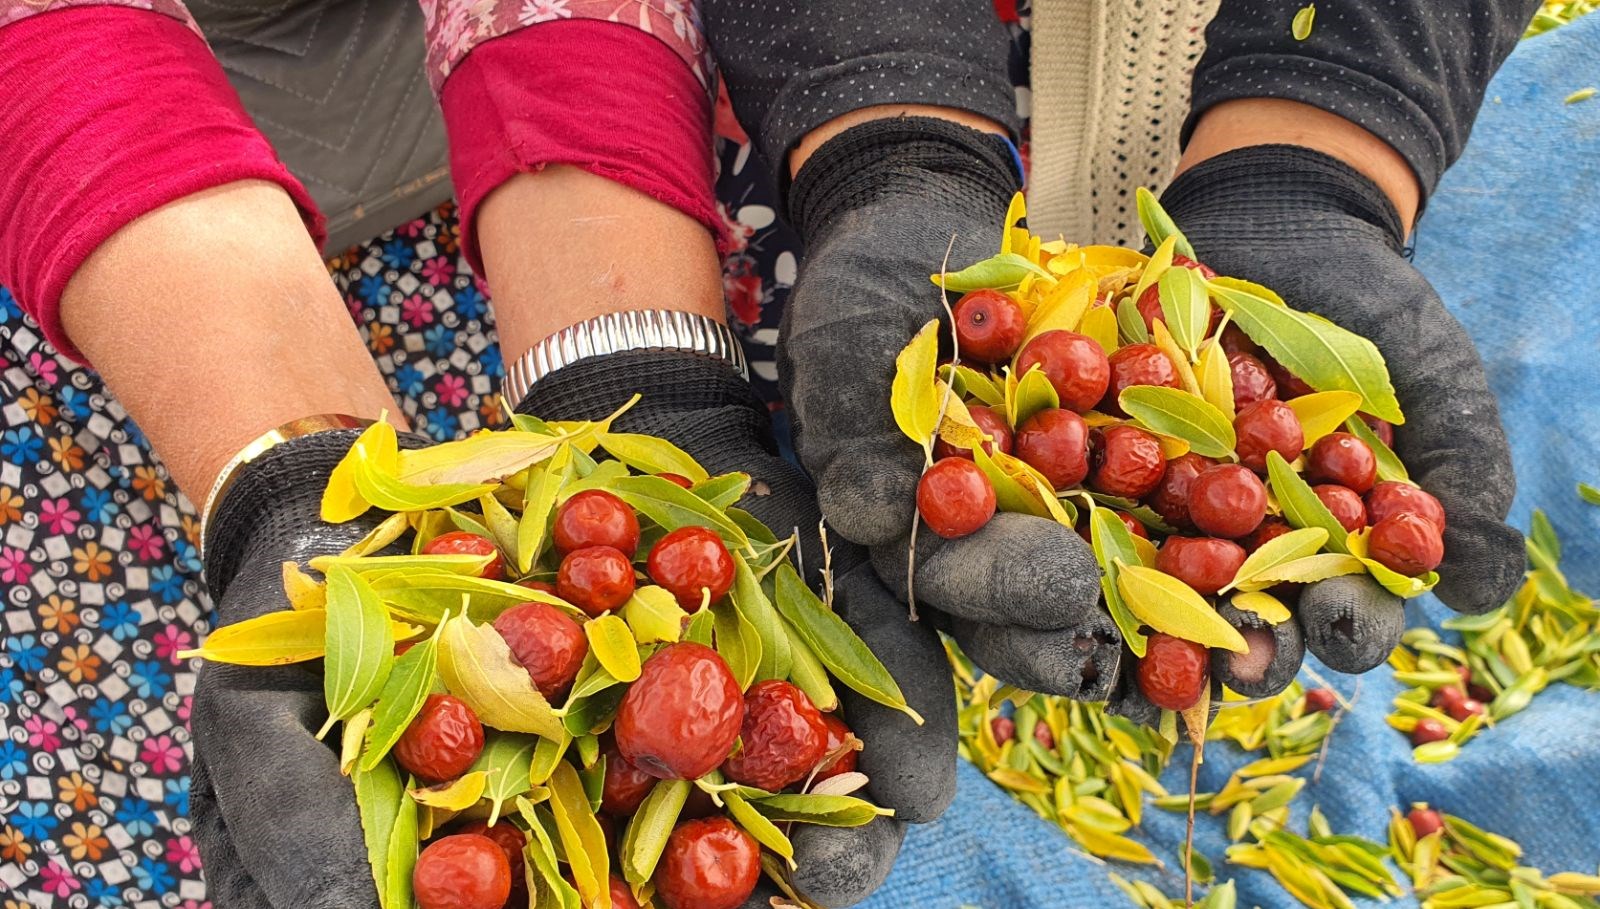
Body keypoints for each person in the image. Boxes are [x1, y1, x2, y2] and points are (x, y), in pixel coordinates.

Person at [0, 1, 1535, 908]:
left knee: (816, 470)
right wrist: (280, 461)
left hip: (638, 104)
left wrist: (1312, 148)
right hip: (157, 162)